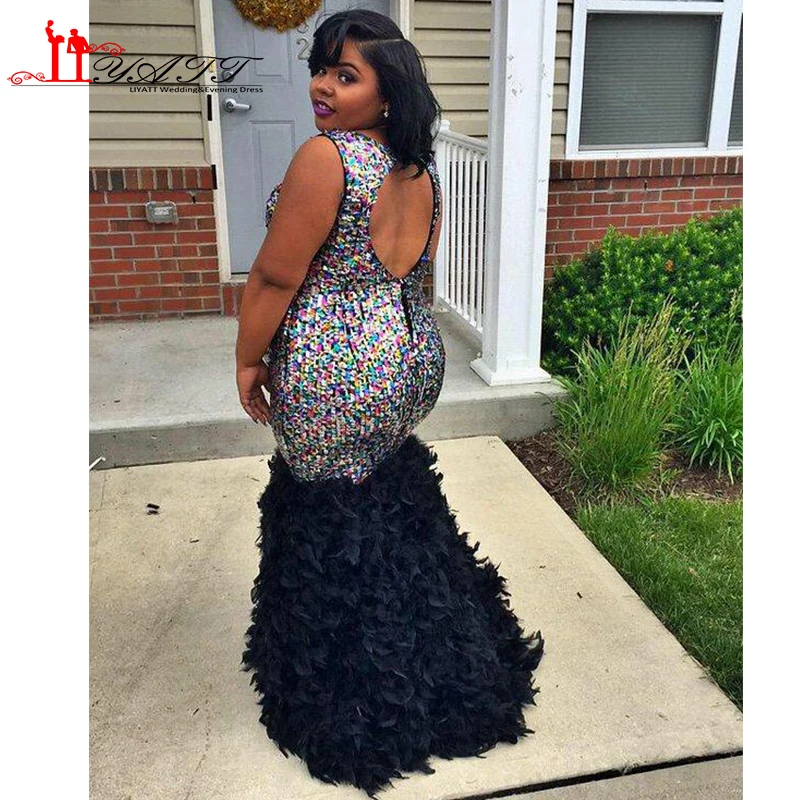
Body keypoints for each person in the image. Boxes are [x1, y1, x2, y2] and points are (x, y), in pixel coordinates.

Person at [235, 10, 545, 796]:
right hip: (405, 357)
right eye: (321, 68)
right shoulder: (417, 170)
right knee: (381, 496)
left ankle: (357, 692)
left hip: (335, 367)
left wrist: (247, 358)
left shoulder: (327, 159)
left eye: (346, 75)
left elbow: (274, 276)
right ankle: (436, 656)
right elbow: (407, 268)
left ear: (386, 91)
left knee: (324, 515)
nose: (322, 86)